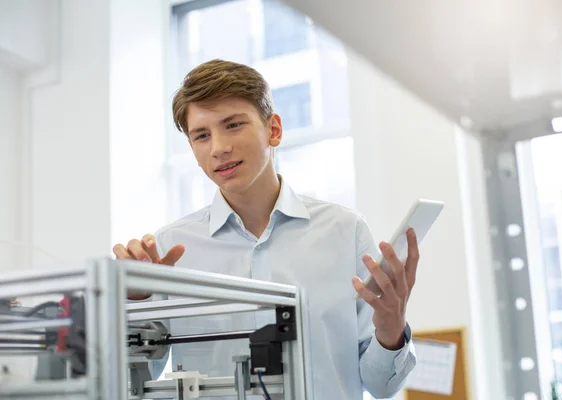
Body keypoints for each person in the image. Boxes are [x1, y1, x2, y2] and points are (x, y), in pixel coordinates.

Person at [113, 59, 417, 399]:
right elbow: (132, 382)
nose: (218, 148)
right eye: (202, 135)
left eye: (233, 125)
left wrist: (391, 333)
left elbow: (380, 385)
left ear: (273, 129)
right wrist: (134, 305)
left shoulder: (345, 232)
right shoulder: (171, 249)